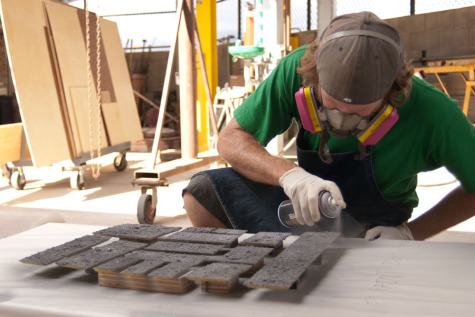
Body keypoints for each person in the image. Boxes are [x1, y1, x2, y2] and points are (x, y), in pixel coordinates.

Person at [183, 11, 475, 240]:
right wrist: (291, 177)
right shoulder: (296, 69)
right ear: (314, 78)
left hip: (373, 228)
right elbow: (231, 139)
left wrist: (411, 234)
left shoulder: (433, 112)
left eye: (359, 112)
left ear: (393, 94)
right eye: (332, 106)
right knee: (204, 192)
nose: (341, 120)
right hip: (305, 208)